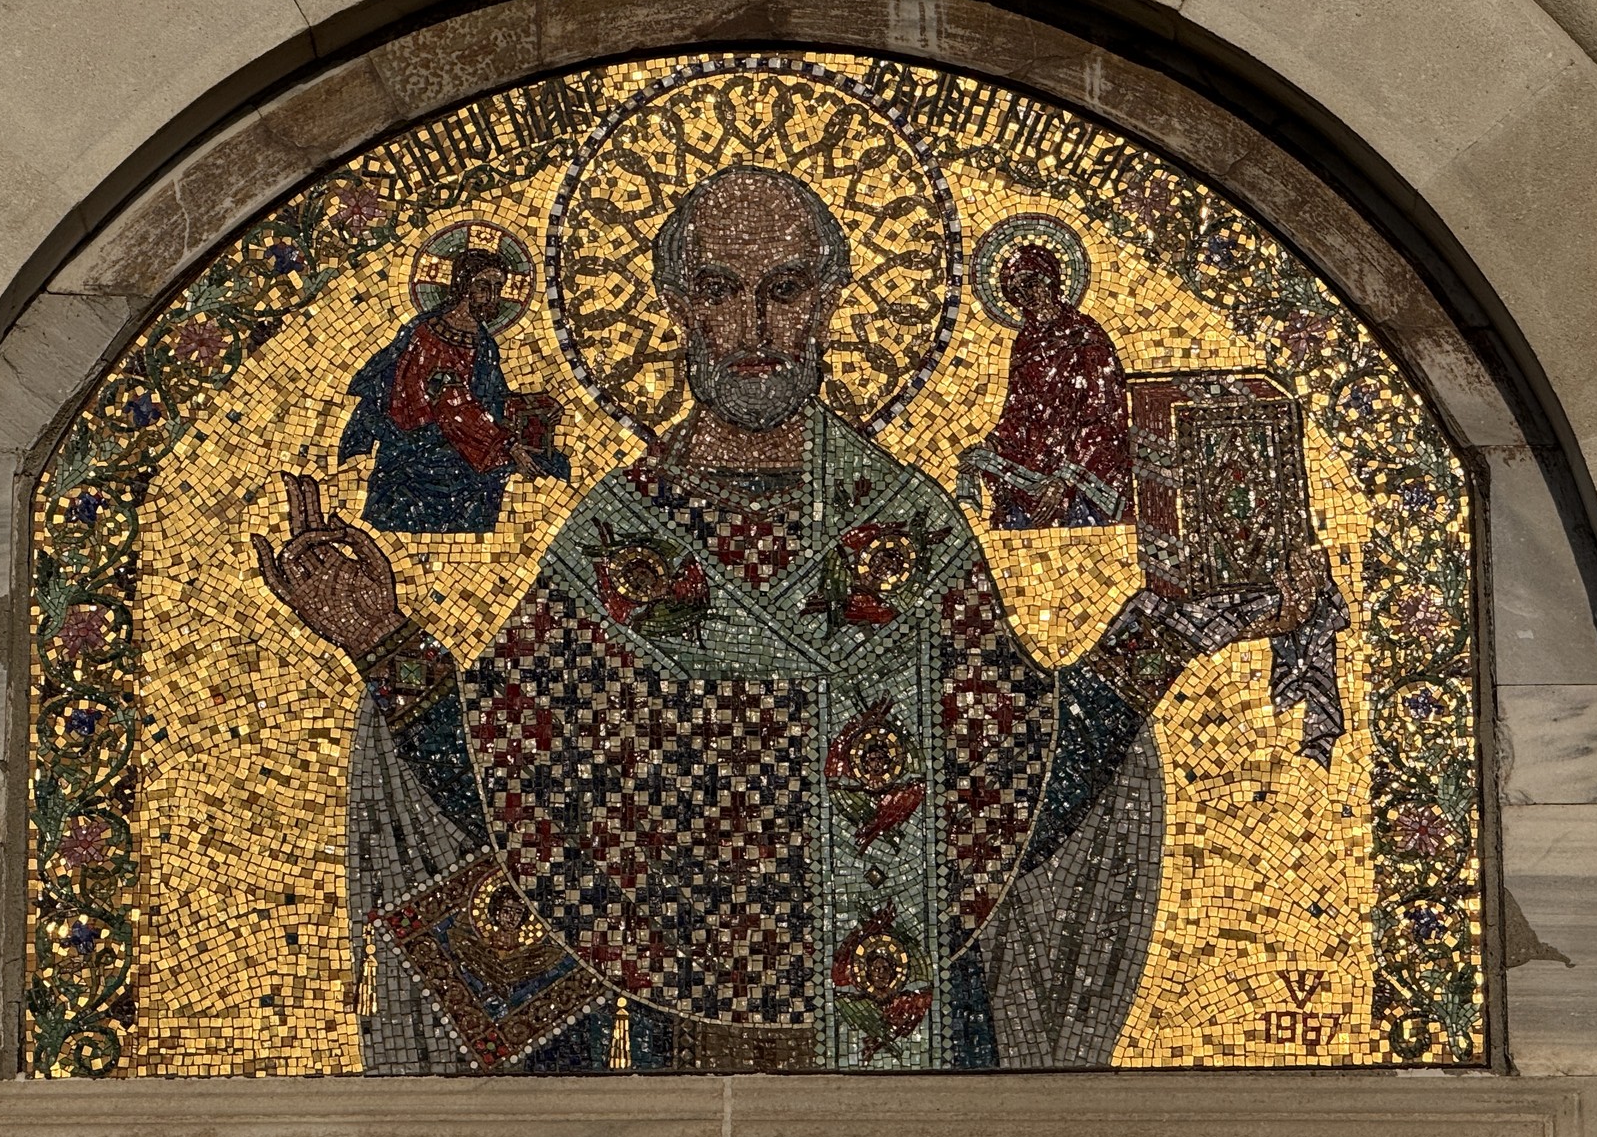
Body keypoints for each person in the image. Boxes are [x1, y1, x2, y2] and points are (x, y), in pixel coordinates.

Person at [257, 167, 1308, 1075]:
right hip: (661, 1057)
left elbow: (1018, 782)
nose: (753, 327)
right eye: (720, 290)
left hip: (906, 1056)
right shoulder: (612, 543)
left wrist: (1168, 627)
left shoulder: (911, 531)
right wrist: (381, 639)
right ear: (676, 306)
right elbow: (506, 789)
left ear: (829, 302)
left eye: (784, 289)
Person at [337, 247, 566, 534]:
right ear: (463, 286)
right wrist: (508, 446)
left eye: (498, 288)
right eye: (483, 286)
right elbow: (452, 404)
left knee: (553, 464)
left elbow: (489, 400)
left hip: (466, 445)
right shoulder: (429, 336)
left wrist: (535, 406)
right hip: (419, 458)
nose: (492, 297)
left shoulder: (483, 343)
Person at [960, 239, 1135, 529]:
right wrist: (992, 445)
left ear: (1049, 279)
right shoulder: (1025, 343)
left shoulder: (1086, 336)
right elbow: (1018, 411)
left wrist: (1066, 478)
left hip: (1081, 466)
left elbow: (1101, 416)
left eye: (1030, 284)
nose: (1025, 296)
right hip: (1036, 462)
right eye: (1015, 292)